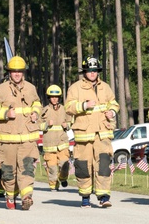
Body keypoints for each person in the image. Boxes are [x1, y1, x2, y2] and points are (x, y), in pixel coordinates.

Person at [65, 57, 119, 208]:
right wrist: (84, 105)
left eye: (95, 70)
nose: (93, 73)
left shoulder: (106, 88)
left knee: (103, 165)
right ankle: (85, 197)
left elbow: (114, 103)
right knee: (83, 167)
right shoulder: (75, 88)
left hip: (103, 133)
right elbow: (68, 107)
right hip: (84, 135)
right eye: (90, 71)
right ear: (85, 72)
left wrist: (112, 112)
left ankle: (104, 197)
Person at [0, 56, 42, 210]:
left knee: (26, 169)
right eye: (14, 71)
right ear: (9, 73)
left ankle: (26, 197)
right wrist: (5, 113)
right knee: (8, 173)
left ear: (23, 72)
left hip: (28, 139)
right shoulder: (2, 89)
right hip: (8, 140)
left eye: (19, 71)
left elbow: (37, 103)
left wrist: (36, 113)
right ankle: (10, 196)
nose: (17, 74)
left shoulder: (31, 88)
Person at [40, 84, 71, 191]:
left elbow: (70, 121)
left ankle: (63, 178)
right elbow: (38, 125)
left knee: (65, 164)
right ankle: (53, 184)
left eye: (56, 97)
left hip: (62, 143)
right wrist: (46, 124)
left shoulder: (64, 109)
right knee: (52, 168)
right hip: (50, 145)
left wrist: (67, 125)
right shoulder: (44, 111)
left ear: (59, 97)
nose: (54, 99)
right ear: (49, 98)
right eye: (52, 97)